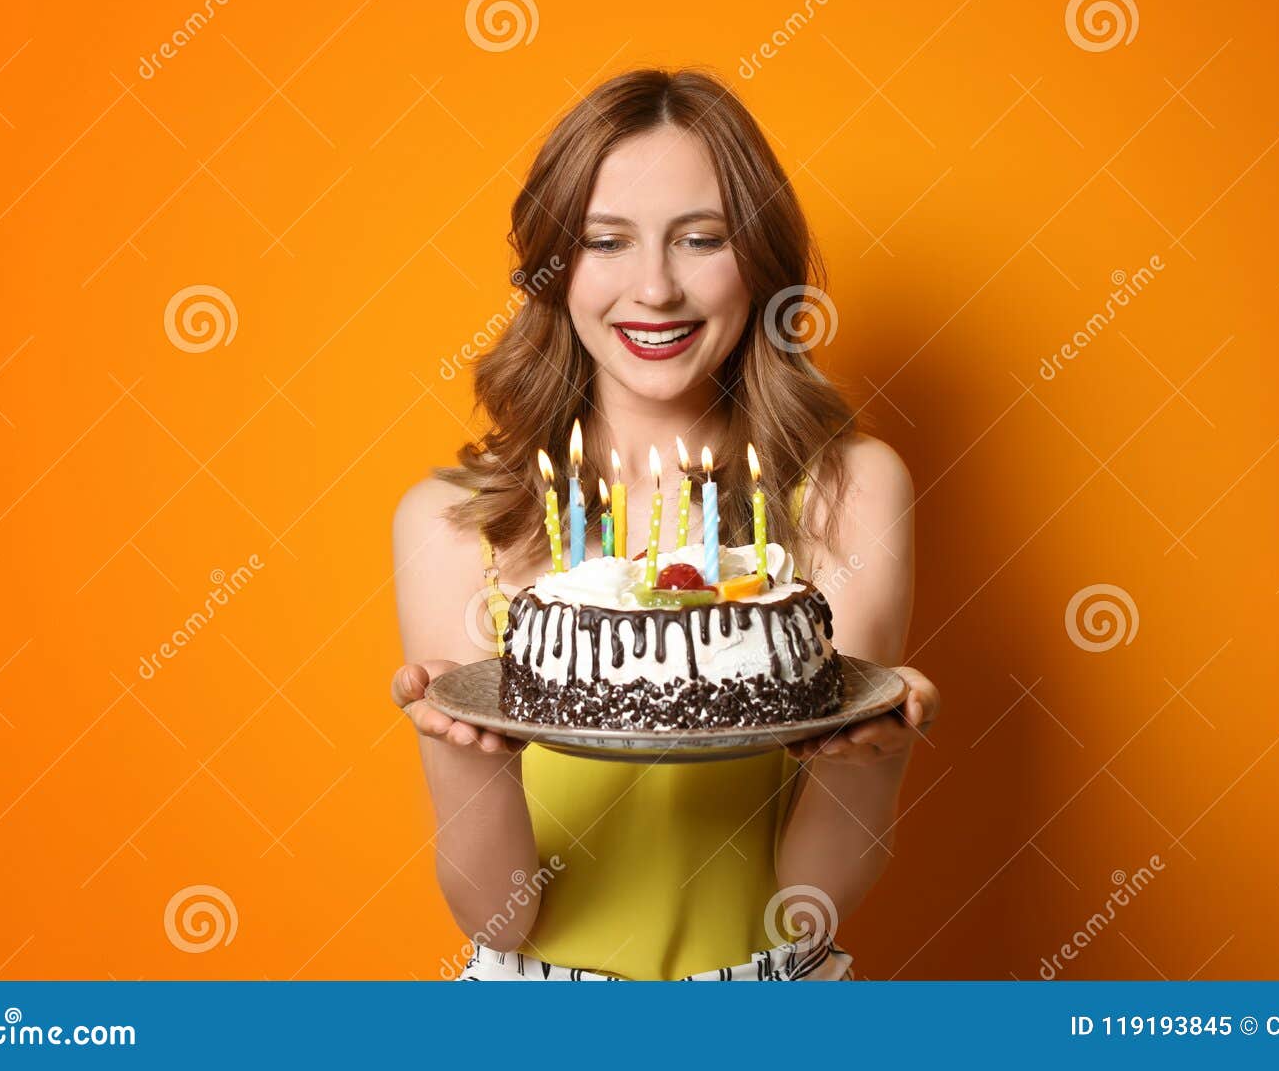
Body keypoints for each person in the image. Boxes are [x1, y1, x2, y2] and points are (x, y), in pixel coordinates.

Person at [391, 68, 940, 981]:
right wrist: (456, 750)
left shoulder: (851, 494)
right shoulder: (452, 525)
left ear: (759, 259)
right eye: (606, 242)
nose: (654, 287)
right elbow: (501, 915)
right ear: (554, 272)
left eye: (701, 239)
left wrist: (871, 758)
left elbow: (806, 908)